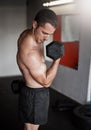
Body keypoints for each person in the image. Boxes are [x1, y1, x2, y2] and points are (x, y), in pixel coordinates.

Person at [16, 8, 61, 130]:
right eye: (45, 33)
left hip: (30, 92)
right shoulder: (30, 52)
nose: (47, 38)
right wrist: (57, 60)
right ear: (35, 24)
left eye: (49, 34)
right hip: (35, 95)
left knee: (29, 127)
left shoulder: (29, 33)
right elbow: (46, 82)